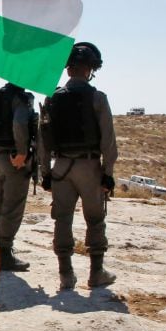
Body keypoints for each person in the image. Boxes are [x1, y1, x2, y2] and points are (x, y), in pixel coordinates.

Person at [39, 42, 119, 289]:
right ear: (90, 69)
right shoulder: (97, 98)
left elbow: (42, 140)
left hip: (61, 166)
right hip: (89, 166)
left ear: (68, 69)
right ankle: (96, 273)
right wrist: (108, 174)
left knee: (62, 219)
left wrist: (45, 173)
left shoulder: (52, 98)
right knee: (95, 219)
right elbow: (108, 141)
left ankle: (66, 275)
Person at [0, 83, 37, 271]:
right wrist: (22, 152)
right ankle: (3, 252)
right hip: (14, 159)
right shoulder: (21, 98)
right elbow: (19, 123)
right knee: (12, 207)